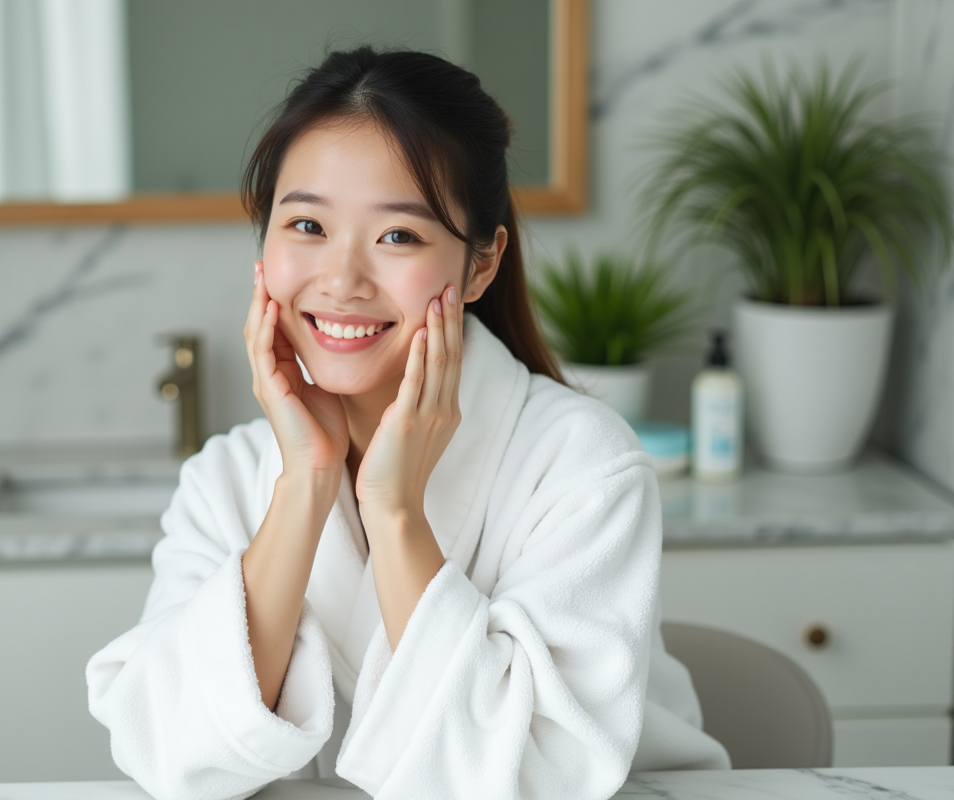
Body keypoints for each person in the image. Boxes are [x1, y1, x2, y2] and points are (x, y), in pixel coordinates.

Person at [86, 47, 729, 800]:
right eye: (305, 225)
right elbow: (170, 754)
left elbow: (528, 778)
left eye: (398, 236)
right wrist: (306, 483)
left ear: (481, 265)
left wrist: (395, 513)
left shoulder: (580, 464)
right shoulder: (227, 481)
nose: (341, 280)